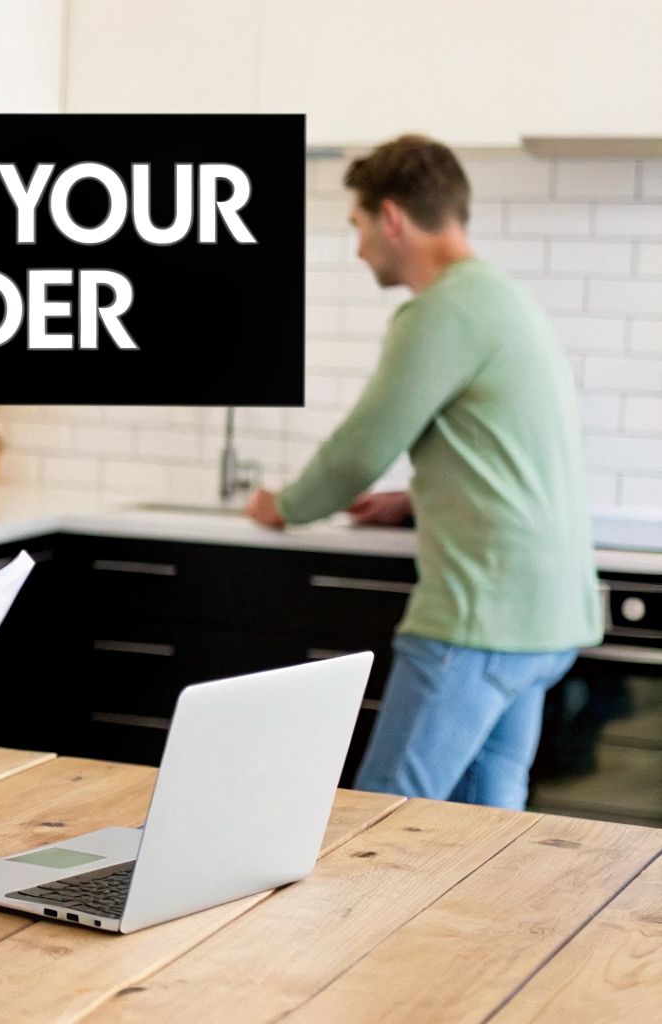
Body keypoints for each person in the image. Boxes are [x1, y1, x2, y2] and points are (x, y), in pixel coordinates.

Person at [246, 135, 603, 810]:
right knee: (485, 826)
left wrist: (285, 505)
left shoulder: (442, 310)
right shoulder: (504, 299)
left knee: (382, 820)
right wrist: (413, 500)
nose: (358, 249)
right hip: (546, 616)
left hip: (479, 616)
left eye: (356, 226)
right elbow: (514, 450)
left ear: (391, 217)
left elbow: (358, 452)